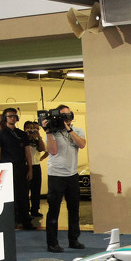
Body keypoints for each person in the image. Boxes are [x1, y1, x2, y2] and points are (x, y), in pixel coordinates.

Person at [43, 104, 86, 252]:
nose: (65, 118)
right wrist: (48, 131)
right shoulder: (52, 132)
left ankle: (74, 239)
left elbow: (81, 145)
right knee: (53, 210)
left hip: (72, 175)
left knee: (74, 208)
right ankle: (52, 242)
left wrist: (68, 128)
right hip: (56, 175)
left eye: (67, 115)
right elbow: (53, 151)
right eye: (62, 116)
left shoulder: (78, 130)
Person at [0, 107, 35, 230]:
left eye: (14, 116)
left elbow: (28, 152)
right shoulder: (0, 135)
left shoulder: (22, 134)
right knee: (9, 197)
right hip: (6, 169)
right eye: (10, 116)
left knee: (23, 196)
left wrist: (30, 169)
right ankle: (11, 222)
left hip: (21, 168)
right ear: (5, 118)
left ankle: (26, 221)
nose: (12, 118)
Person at [24, 120, 47, 218]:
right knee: (24, 190)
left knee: (36, 190)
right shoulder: (22, 137)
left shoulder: (37, 139)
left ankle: (35, 210)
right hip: (24, 166)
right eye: (29, 128)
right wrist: (26, 135)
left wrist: (38, 136)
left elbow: (42, 149)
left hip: (36, 165)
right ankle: (25, 210)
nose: (31, 130)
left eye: (33, 128)